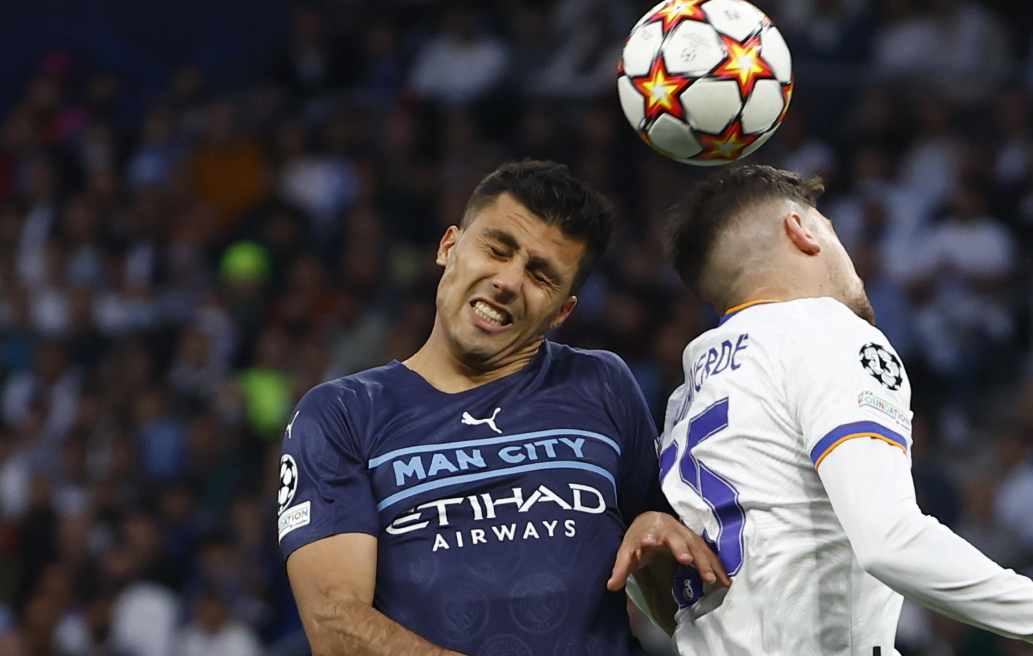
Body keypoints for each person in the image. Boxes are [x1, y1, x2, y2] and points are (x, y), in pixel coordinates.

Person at [658, 164, 1033, 656]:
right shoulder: (825, 332)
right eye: (832, 229)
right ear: (801, 231)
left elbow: (666, 604)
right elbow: (890, 541)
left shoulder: (687, 397)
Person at [279, 160, 727, 655]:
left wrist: (656, 539)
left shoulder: (601, 383)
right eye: (497, 249)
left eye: (541, 275)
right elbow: (336, 628)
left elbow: (677, 607)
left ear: (562, 312)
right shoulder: (342, 413)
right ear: (449, 246)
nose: (508, 281)